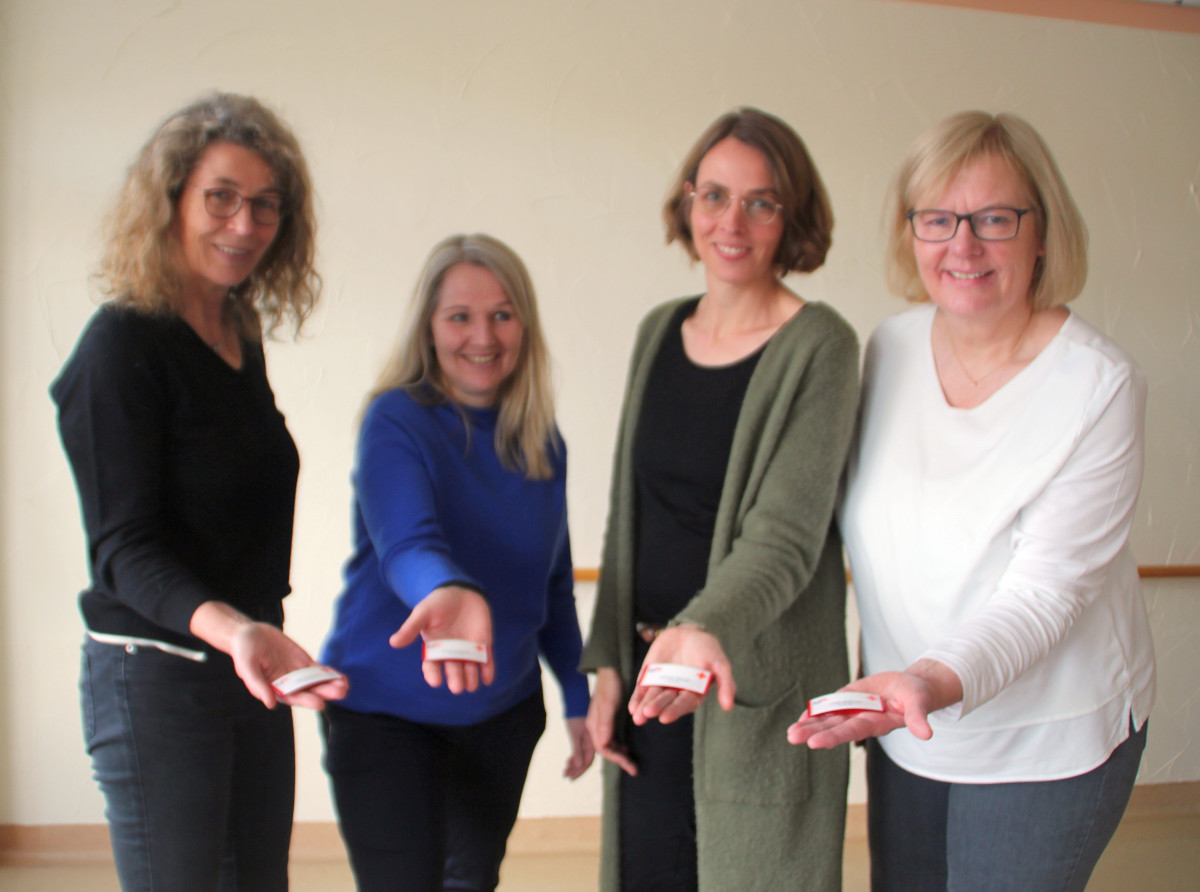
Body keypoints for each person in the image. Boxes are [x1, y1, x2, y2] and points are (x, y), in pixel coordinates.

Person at [787, 111, 1156, 892]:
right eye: (939, 219)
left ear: (1043, 232)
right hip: (907, 721)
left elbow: (1045, 594)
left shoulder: (1098, 385)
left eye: (994, 217)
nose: (963, 245)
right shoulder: (889, 347)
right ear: (910, 231)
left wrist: (931, 678)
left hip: (1045, 739)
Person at [51, 92, 347, 891]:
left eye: (265, 205)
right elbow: (123, 551)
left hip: (247, 664)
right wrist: (235, 631)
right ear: (171, 199)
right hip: (158, 674)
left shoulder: (237, 332)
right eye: (221, 197)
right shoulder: (120, 346)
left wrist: (252, 638)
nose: (244, 225)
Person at [580, 108, 860, 892]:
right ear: (688, 203)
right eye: (714, 195)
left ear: (791, 218)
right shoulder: (657, 330)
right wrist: (607, 664)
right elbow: (624, 511)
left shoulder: (821, 346)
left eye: (761, 202)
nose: (731, 222)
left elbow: (786, 537)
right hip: (649, 687)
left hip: (750, 695)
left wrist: (699, 628)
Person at [319, 233, 594, 892]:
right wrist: (447, 590)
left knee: (471, 884)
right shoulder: (397, 420)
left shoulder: (541, 442)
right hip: (387, 713)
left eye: (502, 313)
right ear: (430, 327)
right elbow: (407, 542)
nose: (483, 335)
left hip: (500, 714)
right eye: (460, 316)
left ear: (524, 325)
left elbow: (551, 584)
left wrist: (578, 696)